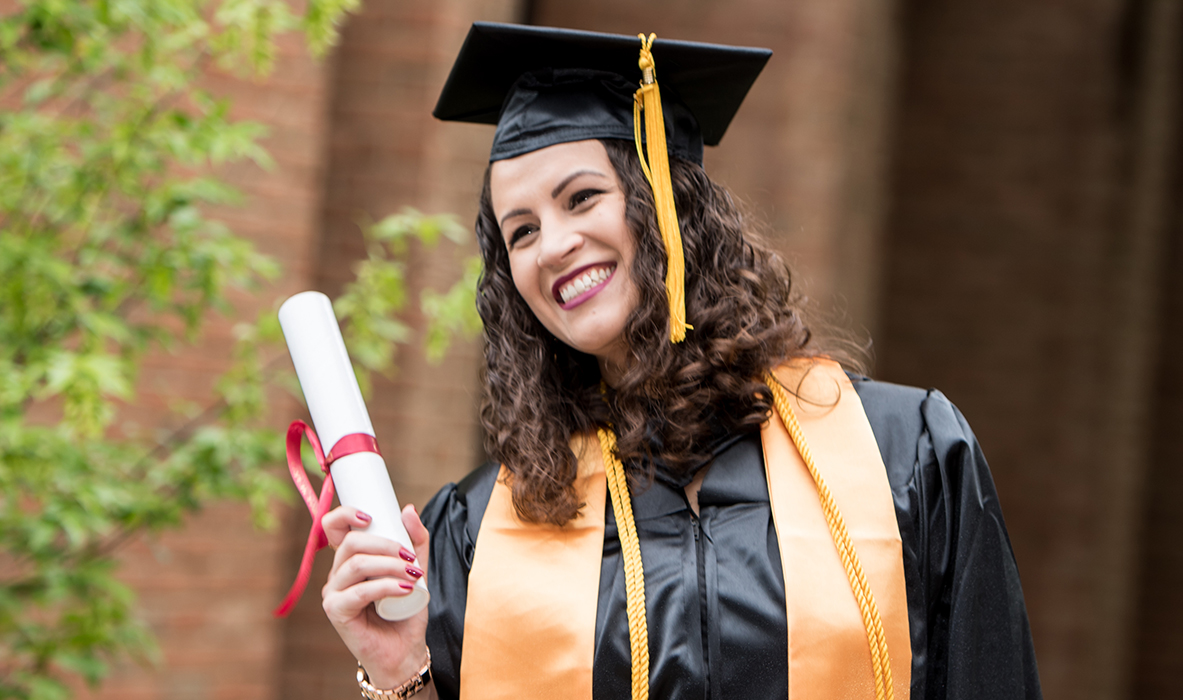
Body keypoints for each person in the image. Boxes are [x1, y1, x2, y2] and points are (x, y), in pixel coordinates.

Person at [311, 22, 1043, 700]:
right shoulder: (480, 530)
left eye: (583, 197)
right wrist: (400, 671)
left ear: (668, 202)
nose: (555, 243)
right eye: (522, 231)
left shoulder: (904, 455)